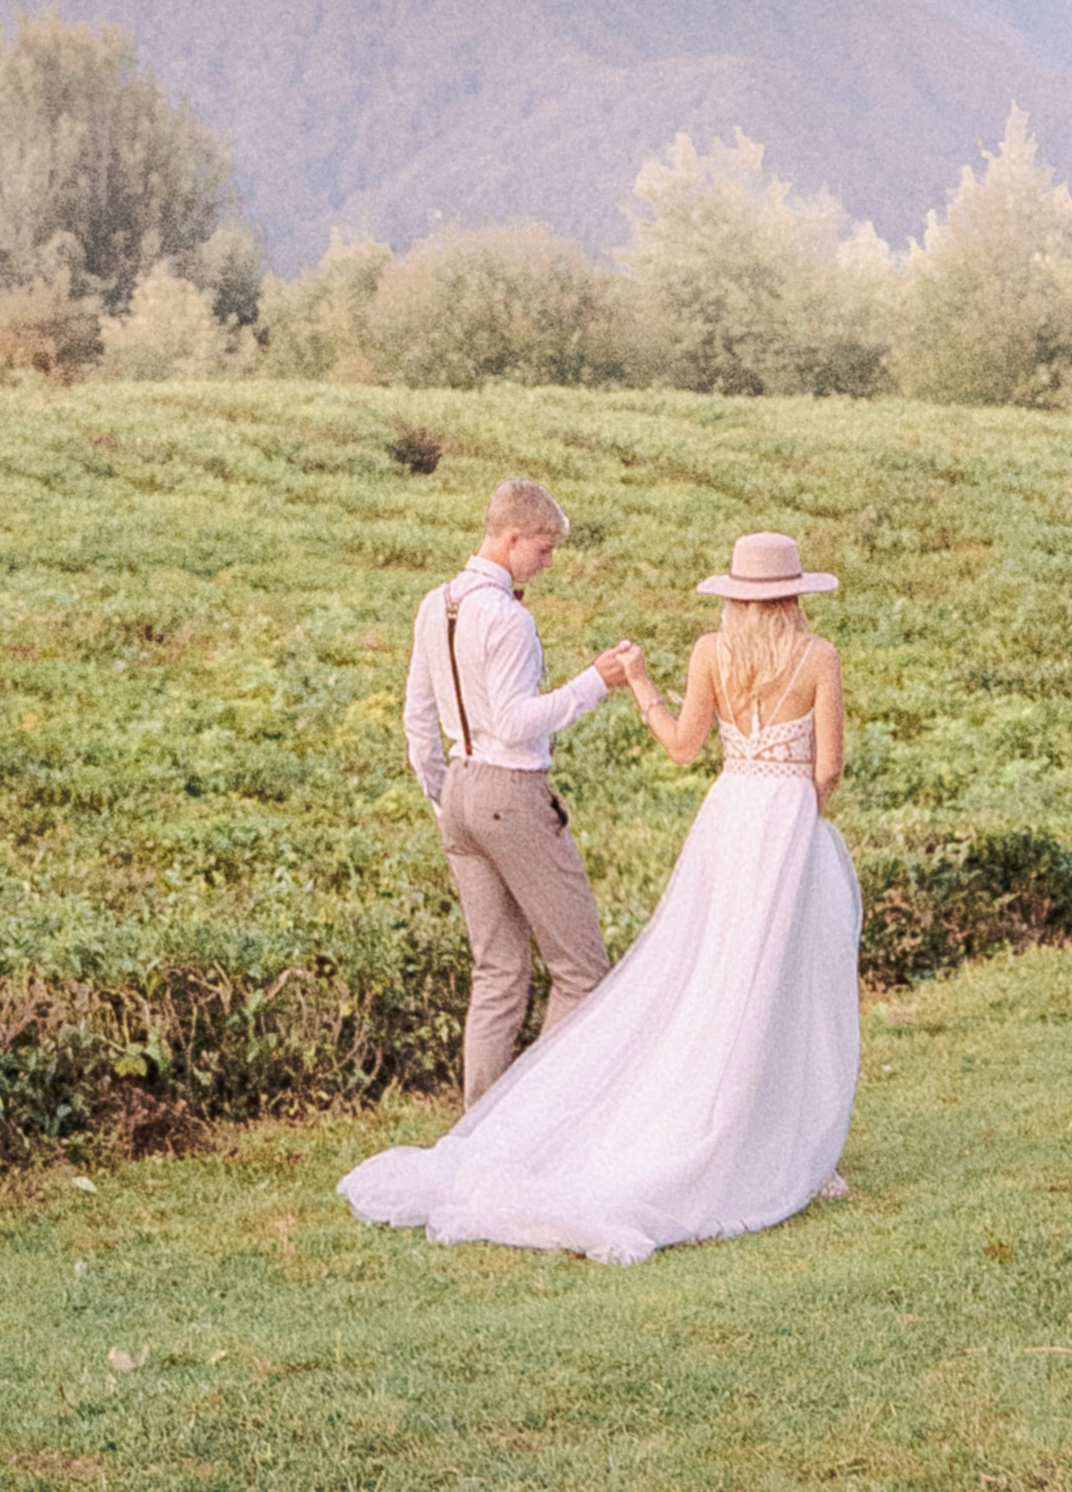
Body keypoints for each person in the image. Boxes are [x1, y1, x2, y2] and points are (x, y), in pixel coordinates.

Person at [342, 530, 861, 1263]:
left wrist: (642, 684)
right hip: (785, 819)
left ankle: (729, 1130)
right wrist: (803, 821)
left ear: (737, 596)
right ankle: (786, 1150)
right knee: (788, 983)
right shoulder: (819, 658)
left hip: (727, 818)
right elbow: (829, 767)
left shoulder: (712, 654)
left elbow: (683, 747)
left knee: (711, 977)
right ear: (796, 594)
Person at [398, 475, 636, 1108]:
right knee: (582, 971)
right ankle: (534, 1120)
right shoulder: (507, 618)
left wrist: (444, 799)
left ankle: (478, 1132)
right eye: (544, 548)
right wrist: (596, 681)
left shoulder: (434, 605)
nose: (549, 562)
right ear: (512, 538)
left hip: (459, 793)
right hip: (511, 791)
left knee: (497, 974)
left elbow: (418, 722)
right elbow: (514, 721)